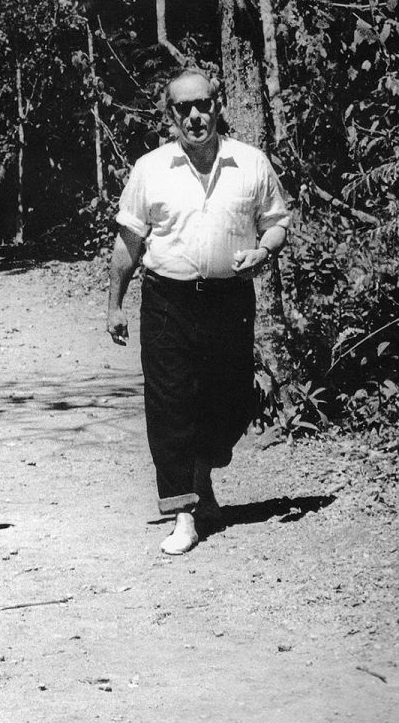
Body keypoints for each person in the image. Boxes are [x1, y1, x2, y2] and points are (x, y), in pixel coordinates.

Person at [106, 67, 290, 555]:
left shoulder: (251, 164)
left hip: (230, 301)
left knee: (227, 400)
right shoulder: (151, 169)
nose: (194, 116)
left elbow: (276, 224)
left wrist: (265, 252)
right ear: (170, 116)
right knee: (170, 404)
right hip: (168, 299)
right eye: (182, 108)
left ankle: (202, 480)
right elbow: (128, 242)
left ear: (218, 105)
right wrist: (115, 304)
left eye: (202, 104)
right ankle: (183, 513)